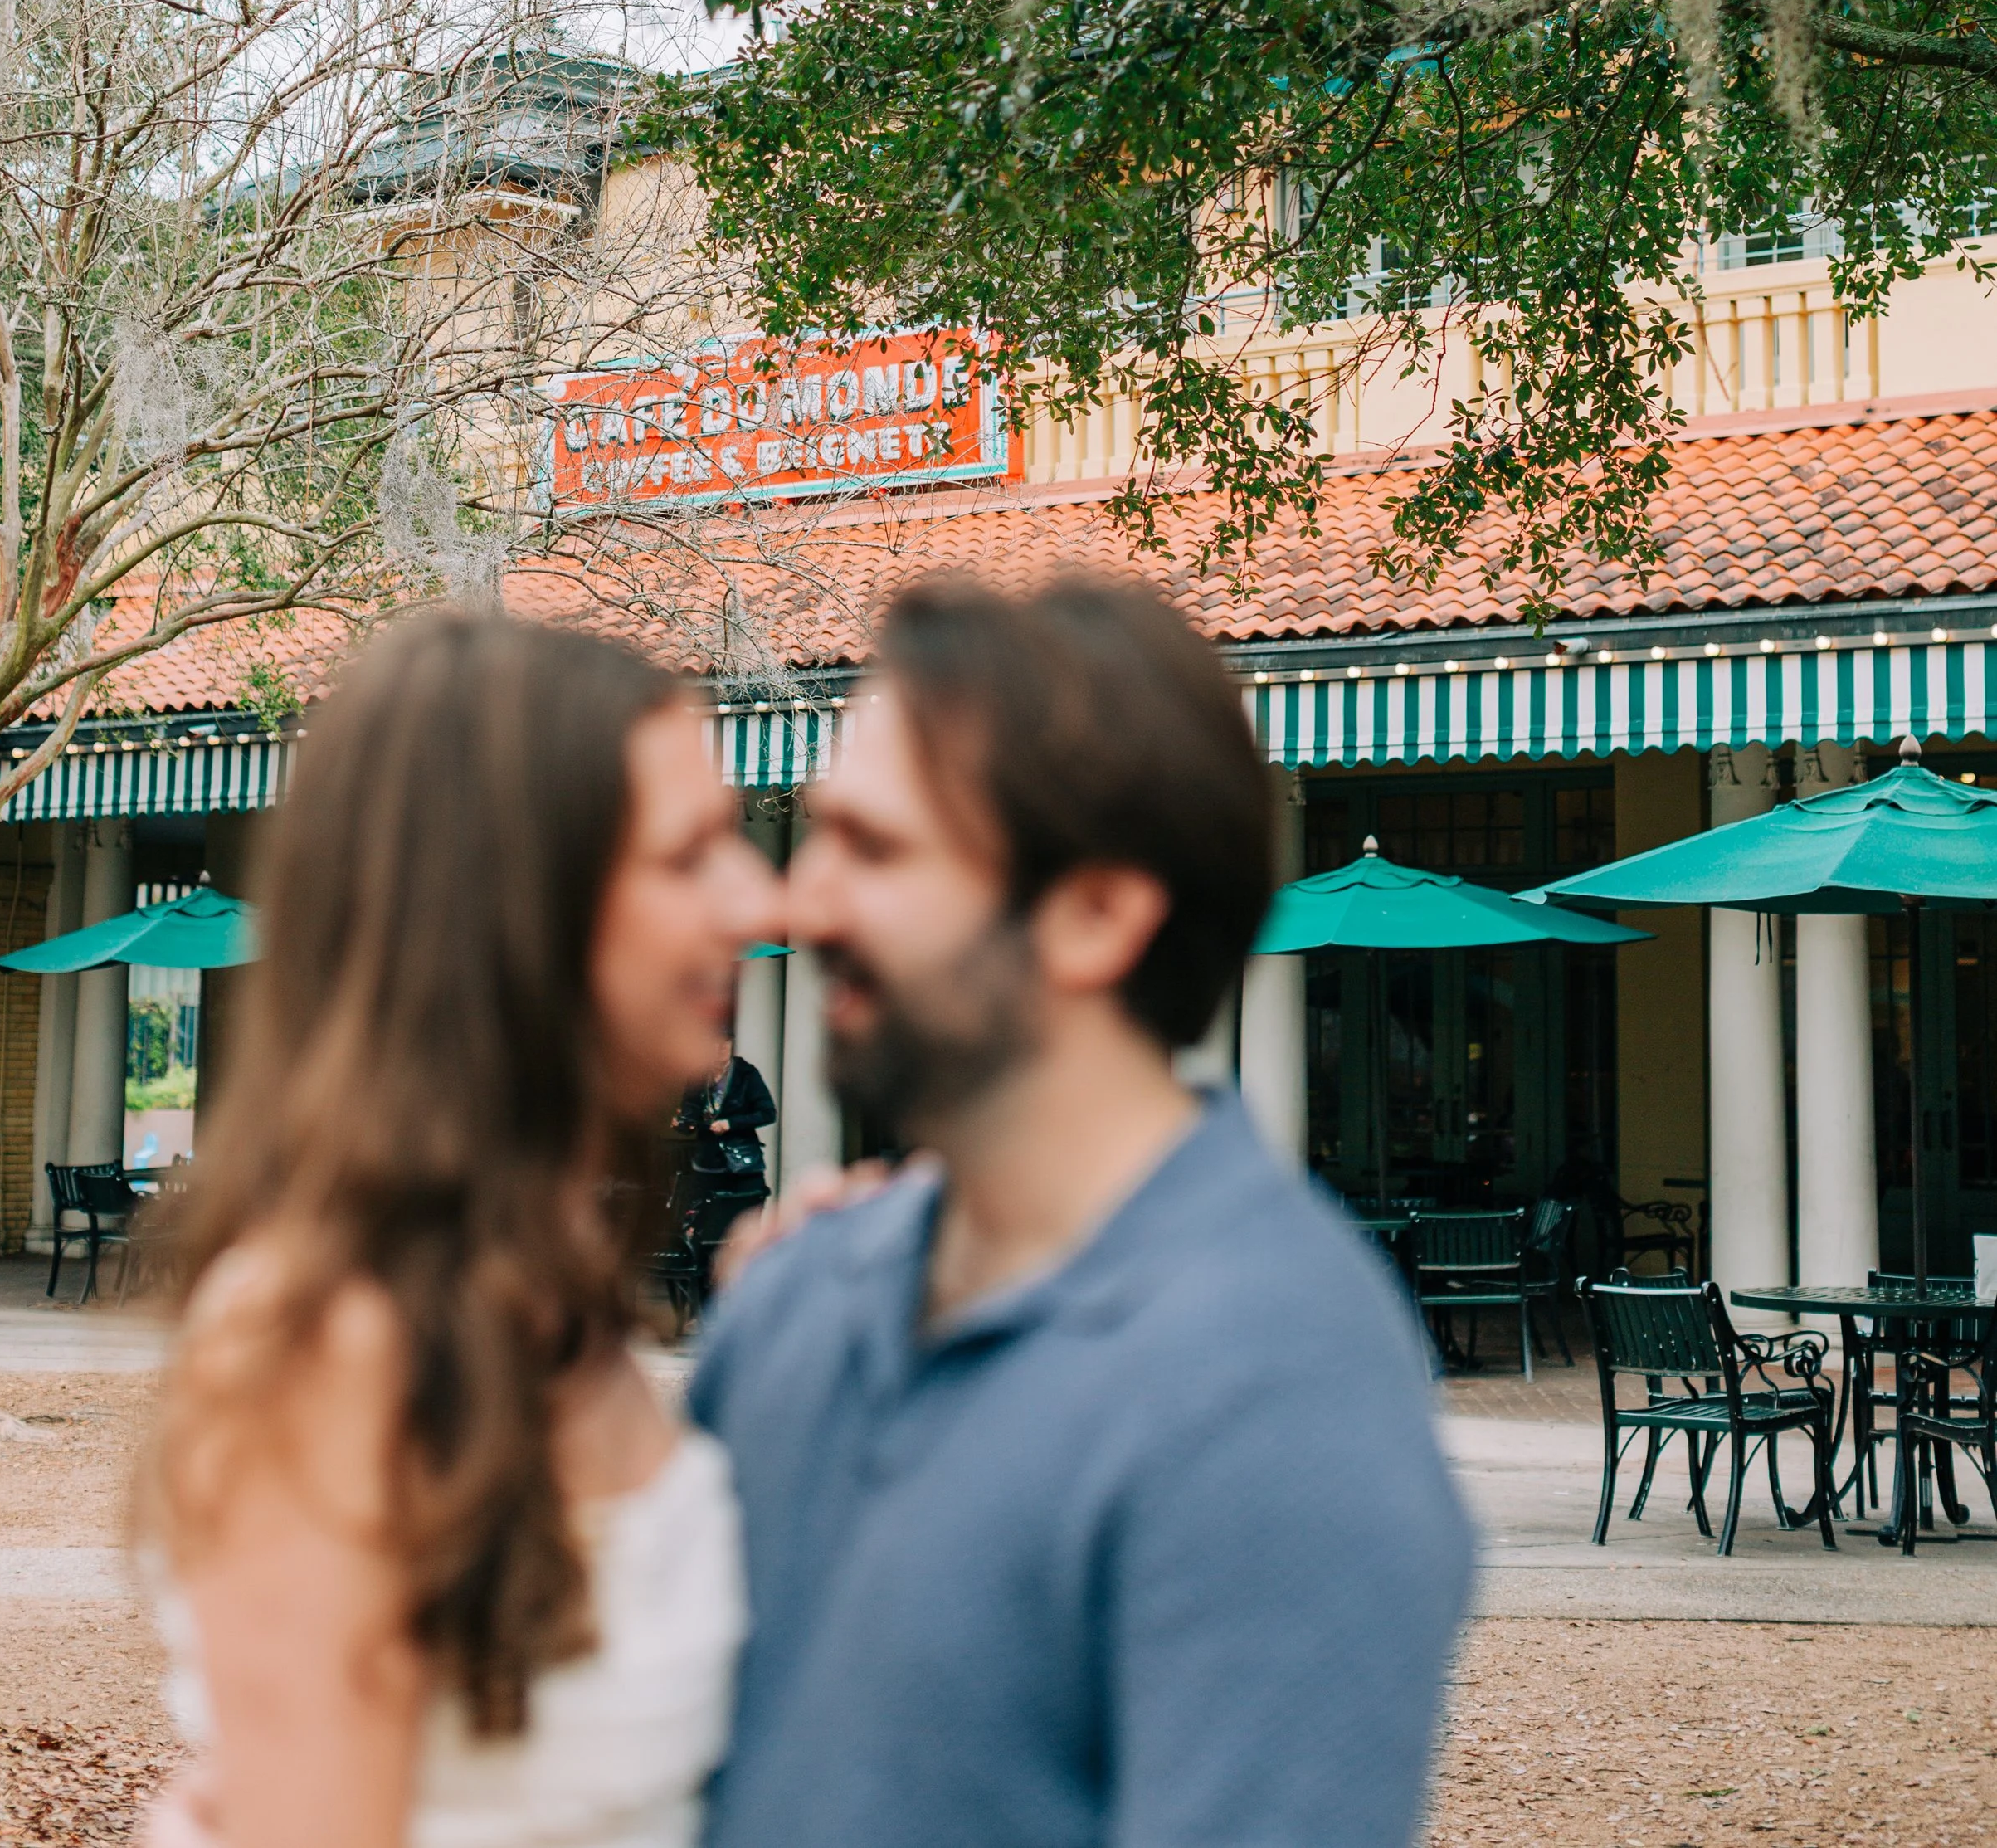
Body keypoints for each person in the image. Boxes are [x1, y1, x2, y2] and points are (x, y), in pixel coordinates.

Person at [691, 575, 1473, 1848]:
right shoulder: (786, 1304)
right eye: (815, 838)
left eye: (876, 849)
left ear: (1100, 911)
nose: (799, 905)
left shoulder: (1281, 1385)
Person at [142, 610, 773, 1848]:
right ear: (512, 905)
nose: (759, 895)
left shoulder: (552, 1294)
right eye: (691, 854)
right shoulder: (337, 1342)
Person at [670, 1034, 777, 1299]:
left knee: (744, 1229)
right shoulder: (698, 1074)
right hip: (707, 1165)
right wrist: (683, 1123)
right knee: (703, 1234)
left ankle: (744, 1296)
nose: (719, 1050)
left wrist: (731, 1124)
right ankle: (707, 1302)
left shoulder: (746, 1075)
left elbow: (767, 1113)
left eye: (725, 1044)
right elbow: (690, 1112)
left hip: (743, 1166)